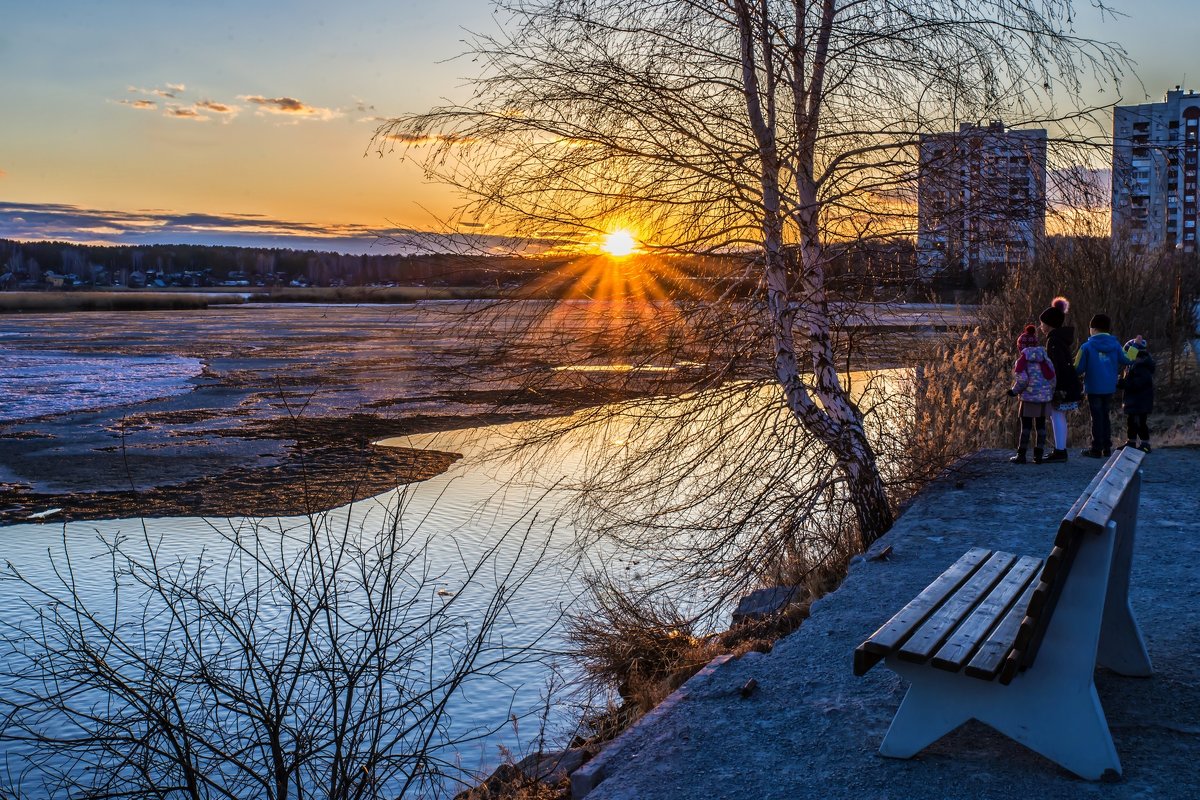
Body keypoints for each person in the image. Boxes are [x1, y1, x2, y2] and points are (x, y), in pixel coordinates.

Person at [1073, 313, 1133, 458]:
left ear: (1093, 329)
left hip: (1093, 387)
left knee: (1096, 417)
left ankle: (1096, 448)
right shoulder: (1116, 345)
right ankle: (1106, 447)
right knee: (1105, 415)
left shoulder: (1086, 347)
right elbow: (1128, 360)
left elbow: (1077, 369)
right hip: (1109, 387)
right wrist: (1135, 347)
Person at [1038, 296, 1081, 462]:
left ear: (1049, 324)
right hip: (1067, 382)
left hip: (1061, 385)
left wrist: (1055, 386)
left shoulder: (1053, 340)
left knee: (1057, 415)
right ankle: (1060, 449)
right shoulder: (1060, 338)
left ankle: (1060, 451)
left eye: (1042, 323)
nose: (1041, 326)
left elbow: (1055, 365)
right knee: (1058, 415)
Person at [1006, 324, 1056, 464]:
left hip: (1028, 398)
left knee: (1026, 427)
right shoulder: (1044, 358)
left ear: (1020, 346)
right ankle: (1038, 455)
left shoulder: (1022, 361)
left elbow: (1022, 380)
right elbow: (1052, 377)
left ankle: (1021, 455)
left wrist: (1014, 391)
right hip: (1044, 398)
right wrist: (1049, 392)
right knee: (1041, 426)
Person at [1119, 335, 1155, 452]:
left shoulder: (1142, 367)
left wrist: (1123, 382)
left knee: (1140, 423)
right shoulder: (1133, 366)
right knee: (1131, 422)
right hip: (1134, 401)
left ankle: (1145, 443)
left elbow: (1137, 384)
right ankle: (1131, 442)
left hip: (1140, 402)